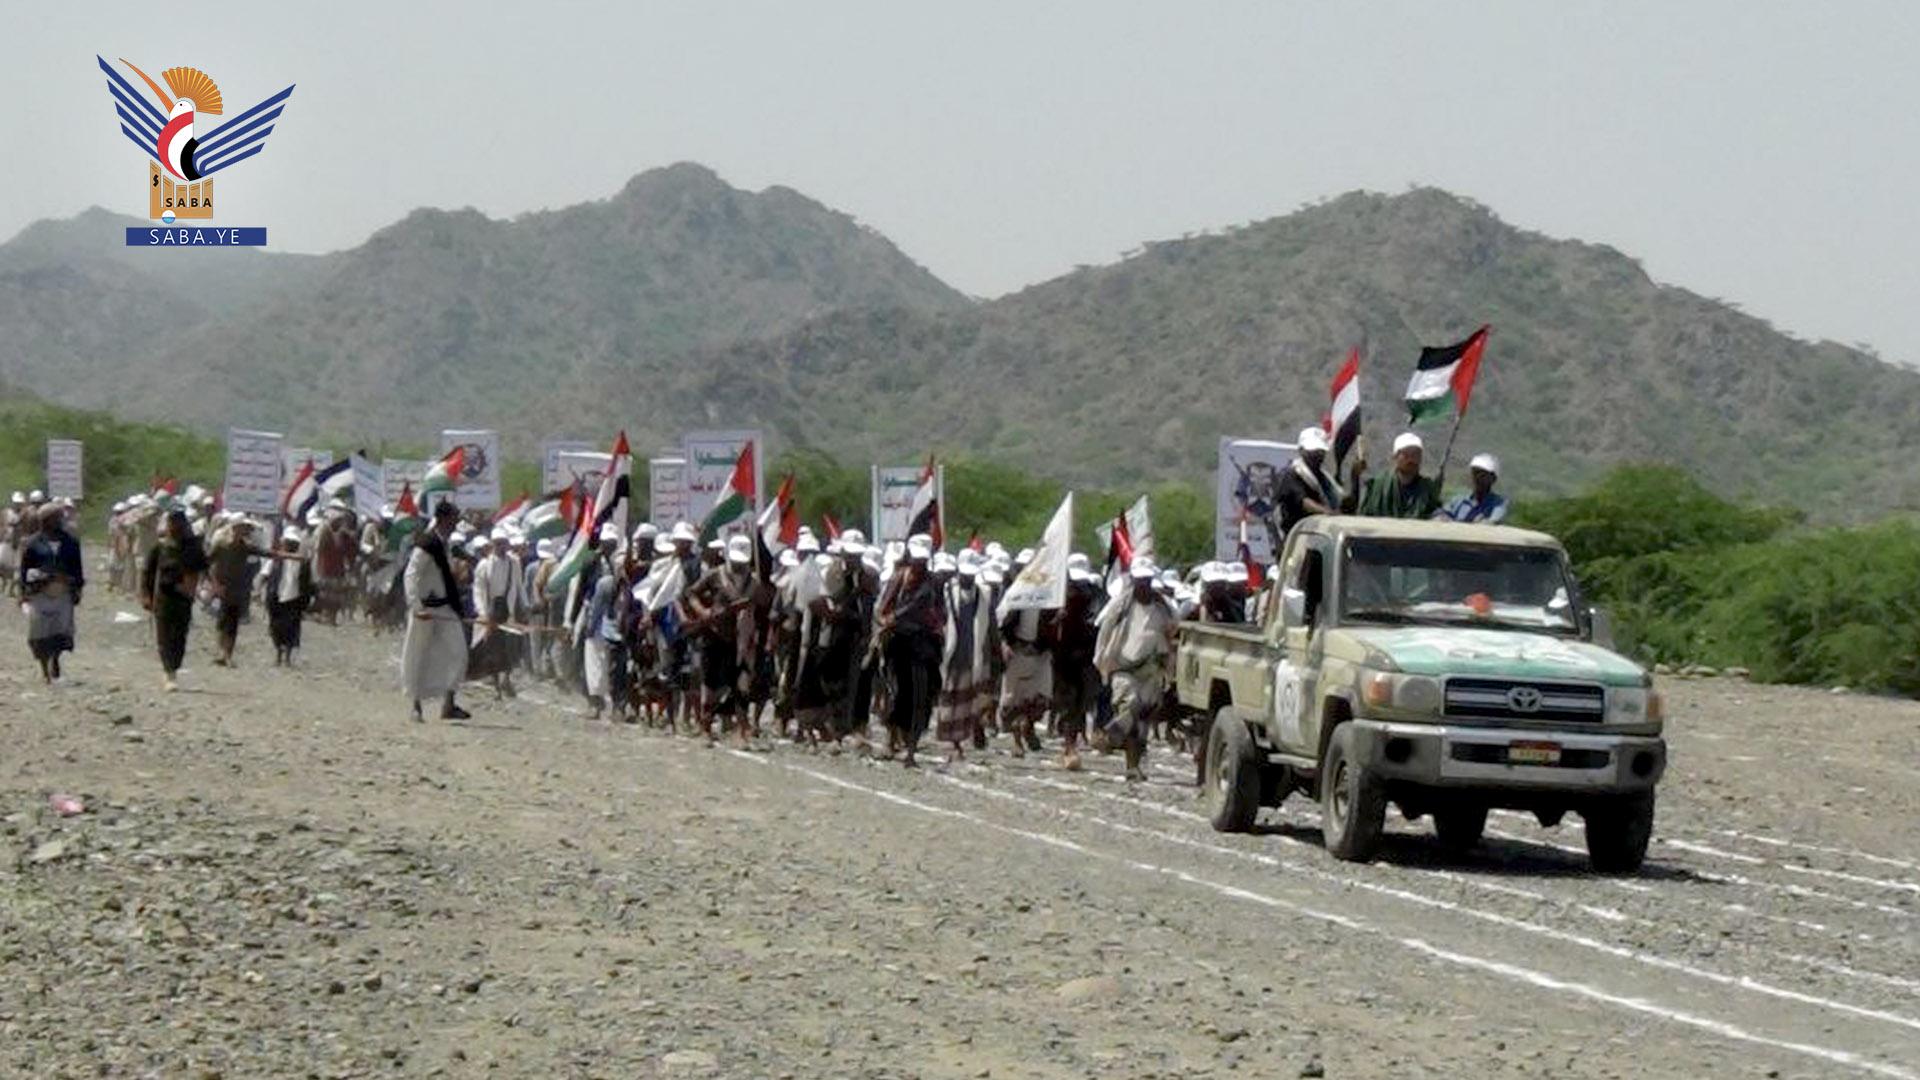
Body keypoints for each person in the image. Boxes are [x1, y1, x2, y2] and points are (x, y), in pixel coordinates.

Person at [1096, 557, 1180, 782]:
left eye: (1147, 579)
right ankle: (1110, 734)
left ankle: (1132, 766)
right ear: (1133, 579)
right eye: (1139, 579)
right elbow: (1104, 631)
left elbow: (1175, 630)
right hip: (1125, 668)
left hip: (1152, 670)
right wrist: (1102, 661)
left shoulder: (1164, 606)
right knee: (1129, 707)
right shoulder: (1120, 605)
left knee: (1142, 720)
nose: (1143, 584)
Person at [876, 534, 945, 767]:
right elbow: (882, 608)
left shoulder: (934, 582)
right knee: (898, 693)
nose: (920, 564)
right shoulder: (899, 578)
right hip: (900, 642)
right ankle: (891, 737)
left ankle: (912, 750)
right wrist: (890, 620)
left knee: (923, 695)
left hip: (924, 644)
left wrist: (937, 623)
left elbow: (941, 610)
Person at [682, 534, 757, 745]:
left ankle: (741, 730)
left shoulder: (754, 582)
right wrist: (703, 612)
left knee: (740, 686)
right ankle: (705, 727)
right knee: (711, 685)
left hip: (741, 640)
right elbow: (691, 593)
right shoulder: (716, 575)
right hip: (715, 636)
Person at [402, 500, 471, 722]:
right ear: (443, 519)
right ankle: (416, 705)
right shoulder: (426, 543)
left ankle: (449, 704)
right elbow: (411, 575)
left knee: (459, 653)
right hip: (425, 610)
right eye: (453, 519)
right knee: (417, 656)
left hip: (445, 608)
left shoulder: (446, 544)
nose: (455, 524)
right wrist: (416, 606)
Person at [933, 553, 995, 760]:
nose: (968, 579)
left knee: (977, 698)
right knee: (953, 701)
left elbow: (990, 623)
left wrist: (997, 646)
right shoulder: (946, 591)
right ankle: (955, 743)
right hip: (953, 652)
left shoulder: (983, 593)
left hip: (975, 652)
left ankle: (976, 728)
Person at [140, 509, 209, 692]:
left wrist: (200, 585)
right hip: (163, 597)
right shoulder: (161, 547)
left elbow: (204, 568)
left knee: (180, 635)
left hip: (184, 598)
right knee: (164, 635)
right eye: (171, 524)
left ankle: (174, 666)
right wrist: (146, 595)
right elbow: (147, 572)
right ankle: (169, 672)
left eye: (177, 524)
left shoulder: (193, 547)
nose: (174, 528)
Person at [19, 503, 84, 684]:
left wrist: (78, 588)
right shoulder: (32, 544)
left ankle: (54, 659)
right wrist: (23, 592)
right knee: (39, 632)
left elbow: (77, 568)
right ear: (45, 521)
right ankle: (44, 667)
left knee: (59, 630)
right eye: (55, 518)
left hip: (62, 592)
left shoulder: (70, 543)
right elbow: (24, 570)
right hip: (39, 593)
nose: (58, 521)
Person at [206, 517, 268, 667]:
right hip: (222, 588)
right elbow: (206, 563)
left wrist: (290, 556)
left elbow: (266, 553)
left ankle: (227, 654)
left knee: (232, 622)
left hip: (237, 589)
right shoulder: (221, 545)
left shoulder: (245, 547)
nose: (245, 531)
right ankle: (221, 652)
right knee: (221, 620)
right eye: (243, 528)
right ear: (234, 528)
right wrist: (214, 584)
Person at [1350, 432, 1444, 519]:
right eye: (1406, 455)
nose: (1412, 459)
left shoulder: (1427, 488)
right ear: (1395, 456)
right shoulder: (1378, 487)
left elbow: (1435, 512)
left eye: (1416, 455)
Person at [1276, 426, 1341, 539]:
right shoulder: (1292, 475)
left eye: (1320, 452)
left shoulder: (1325, 479)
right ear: (1301, 451)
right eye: (1312, 452)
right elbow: (1304, 502)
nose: (1317, 456)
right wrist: (1328, 512)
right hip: (1296, 539)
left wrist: (1355, 477)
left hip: (1320, 536)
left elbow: (1341, 499)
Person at [264, 527, 315, 665]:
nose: (291, 545)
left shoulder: (303, 563)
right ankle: (278, 654)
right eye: (289, 542)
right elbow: (265, 575)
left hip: (295, 599)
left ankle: (287, 656)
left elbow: (308, 583)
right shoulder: (276, 560)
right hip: (277, 597)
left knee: (292, 628)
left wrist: (308, 600)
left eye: (294, 543)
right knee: (276, 627)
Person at [1443, 453, 1511, 524]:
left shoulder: (1499, 503)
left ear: (1493, 479)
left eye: (1482, 475)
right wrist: (1442, 517)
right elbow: (1443, 513)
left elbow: (1494, 521)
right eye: (1474, 473)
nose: (1477, 478)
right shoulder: (1459, 500)